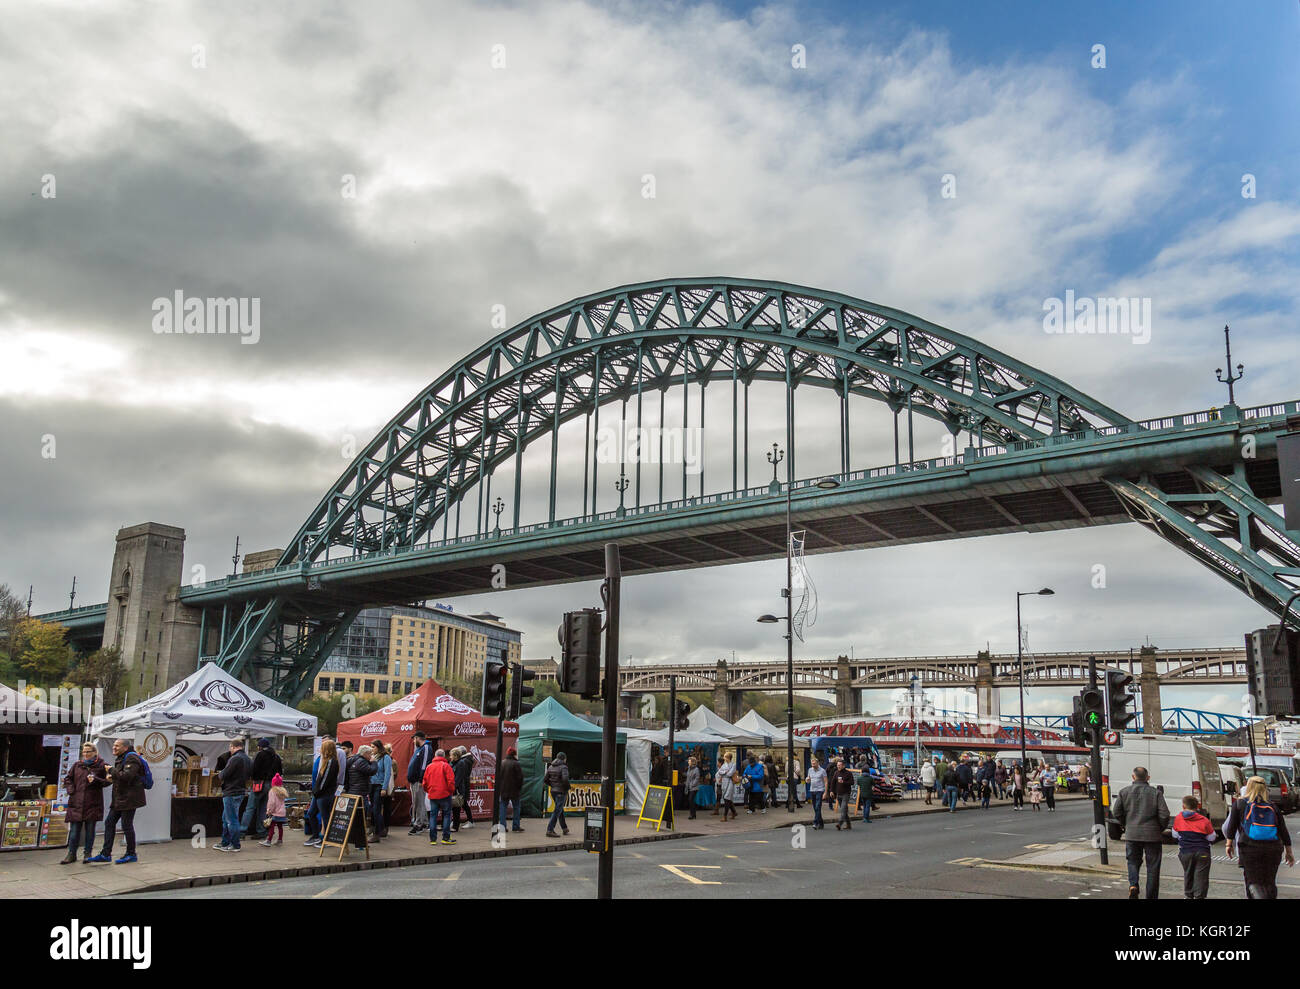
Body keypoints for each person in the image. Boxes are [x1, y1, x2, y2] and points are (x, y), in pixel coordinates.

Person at [1224, 775, 1295, 899]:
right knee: (1269, 881)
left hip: (1249, 848)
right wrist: (1289, 852)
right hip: (1273, 849)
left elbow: (1231, 827)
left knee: (1252, 881)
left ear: (1248, 787)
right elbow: (1283, 830)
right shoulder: (1272, 806)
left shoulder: (1240, 804)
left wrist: (1229, 845)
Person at [1110, 766, 1171, 900]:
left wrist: (1126, 824)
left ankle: (1133, 885)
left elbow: (1116, 812)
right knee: (1153, 867)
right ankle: (1151, 896)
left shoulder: (1124, 792)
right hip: (1152, 835)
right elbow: (1165, 814)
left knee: (1132, 861)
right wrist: (1159, 828)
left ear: (1133, 777)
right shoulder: (1156, 793)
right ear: (1148, 778)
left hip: (1132, 833)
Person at [86, 738, 146, 864]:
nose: (114, 747)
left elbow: (127, 776)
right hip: (120, 799)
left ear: (125, 747)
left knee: (126, 826)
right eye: (113, 745)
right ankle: (105, 854)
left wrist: (111, 770)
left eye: (117, 746)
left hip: (129, 799)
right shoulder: (121, 757)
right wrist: (111, 776)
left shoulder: (132, 758)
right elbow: (121, 777)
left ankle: (131, 854)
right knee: (109, 823)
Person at [60, 743, 107, 864]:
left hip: (92, 803)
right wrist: (71, 790)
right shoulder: (77, 765)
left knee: (90, 830)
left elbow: (108, 781)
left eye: (88, 752)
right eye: (84, 752)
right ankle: (71, 854)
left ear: (94, 752)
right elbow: (68, 779)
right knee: (74, 831)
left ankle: (87, 853)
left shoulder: (101, 765)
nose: (85, 754)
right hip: (77, 803)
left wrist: (96, 780)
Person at [1170, 794, 1218, 900]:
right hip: (1202, 852)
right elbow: (1212, 837)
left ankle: (1188, 895)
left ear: (1183, 806)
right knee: (1201, 876)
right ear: (1197, 807)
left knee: (1188, 873)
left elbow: (1175, 834)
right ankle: (1199, 896)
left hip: (1185, 851)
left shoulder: (1178, 818)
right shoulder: (1204, 820)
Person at [215, 738, 251, 852]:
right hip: (240, 791)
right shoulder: (248, 759)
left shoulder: (235, 758)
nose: (229, 750)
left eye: (230, 747)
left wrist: (220, 774)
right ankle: (225, 843)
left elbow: (224, 774)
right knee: (227, 818)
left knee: (231, 820)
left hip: (231, 791)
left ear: (233, 746)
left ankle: (235, 844)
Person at [241, 737, 282, 839]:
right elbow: (280, 772)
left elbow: (253, 769)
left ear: (260, 746)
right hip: (271, 785)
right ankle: (262, 831)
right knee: (263, 809)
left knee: (250, 808)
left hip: (260, 784)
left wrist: (252, 778)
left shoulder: (260, 755)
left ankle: (241, 832)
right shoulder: (276, 756)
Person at [304, 739, 339, 848]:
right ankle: (316, 836)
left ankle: (327, 839)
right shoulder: (325, 760)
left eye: (322, 747)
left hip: (324, 794)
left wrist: (317, 791)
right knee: (311, 813)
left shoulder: (331, 761)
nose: (320, 749)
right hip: (319, 794)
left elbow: (325, 780)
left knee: (325, 816)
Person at [344, 744, 378, 850]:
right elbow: (372, 771)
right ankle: (361, 843)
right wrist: (374, 762)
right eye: (370, 754)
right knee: (361, 819)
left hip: (352, 791)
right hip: (360, 793)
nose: (371, 756)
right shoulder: (362, 761)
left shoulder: (352, 760)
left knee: (354, 819)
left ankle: (353, 841)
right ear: (365, 754)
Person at [422, 748, 457, 845]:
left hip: (433, 794)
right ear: (443, 756)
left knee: (433, 816)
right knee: (446, 815)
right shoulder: (446, 766)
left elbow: (424, 782)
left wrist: (428, 790)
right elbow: (451, 781)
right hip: (445, 794)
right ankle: (445, 838)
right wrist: (451, 791)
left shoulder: (429, 766)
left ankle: (433, 839)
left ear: (435, 756)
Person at [406, 732, 433, 835]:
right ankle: (424, 822)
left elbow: (424, 765)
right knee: (418, 802)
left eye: (414, 739)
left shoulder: (426, 748)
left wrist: (422, 779)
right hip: (414, 780)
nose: (413, 741)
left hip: (418, 780)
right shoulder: (420, 749)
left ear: (418, 738)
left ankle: (419, 825)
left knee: (419, 803)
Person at [544, 752, 571, 837]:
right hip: (561, 791)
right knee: (557, 810)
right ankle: (550, 830)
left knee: (559, 809)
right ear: (564, 759)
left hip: (553, 791)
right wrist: (567, 788)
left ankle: (564, 828)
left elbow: (545, 779)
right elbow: (565, 779)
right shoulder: (564, 767)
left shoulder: (550, 766)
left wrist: (552, 785)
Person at [369, 741, 392, 839]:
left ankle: (377, 833)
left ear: (378, 747)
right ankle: (375, 829)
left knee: (376, 809)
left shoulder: (386, 757)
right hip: (371, 785)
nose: (371, 749)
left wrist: (384, 788)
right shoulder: (373, 757)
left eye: (373, 747)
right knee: (373, 809)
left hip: (379, 785)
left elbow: (388, 774)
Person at [498, 746, 524, 832]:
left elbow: (498, 777)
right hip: (514, 790)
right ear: (514, 754)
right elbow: (520, 778)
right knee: (516, 807)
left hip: (504, 789)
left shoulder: (502, 763)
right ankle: (516, 826)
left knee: (503, 807)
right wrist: (519, 788)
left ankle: (502, 826)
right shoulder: (516, 763)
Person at [451, 746, 476, 831]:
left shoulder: (464, 761)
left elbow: (460, 776)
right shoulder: (467, 760)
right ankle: (469, 821)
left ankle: (470, 821)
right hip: (464, 784)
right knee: (463, 803)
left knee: (462, 803)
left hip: (462, 785)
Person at [261, 773, 288, 846]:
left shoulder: (272, 791)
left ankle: (268, 840)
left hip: (275, 813)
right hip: (282, 813)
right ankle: (280, 840)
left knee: (271, 826)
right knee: (280, 827)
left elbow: (271, 802)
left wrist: (269, 811)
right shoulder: (283, 791)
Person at [831, 758, 855, 830]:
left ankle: (839, 823)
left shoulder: (848, 773)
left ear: (843, 766)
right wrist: (831, 791)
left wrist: (843, 782)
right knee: (844, 810)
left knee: (843, 809)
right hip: (839, 794)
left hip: (846, 793)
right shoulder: (836, 773)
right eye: (837, 765)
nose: (838, 766)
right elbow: (833, 782)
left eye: (840, 765)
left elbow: (852, 782)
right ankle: (848, 825)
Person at [717, 751, 738, 822]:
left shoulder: (733, 764)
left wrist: (725, 773)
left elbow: (730, 774)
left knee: (726, 798)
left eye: (725, 756)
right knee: (728, 799)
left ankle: (725, 816)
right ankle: (734, 812)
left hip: (730, 782)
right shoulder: (724, 764)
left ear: (728, 757)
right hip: (724, 782)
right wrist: (725, 772)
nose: (724, 758)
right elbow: (719, 772)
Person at [806, 756, 827, 829]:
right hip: (812, 790)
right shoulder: (810, 770)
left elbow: (826, 782)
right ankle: (821, 823)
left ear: (818, 763)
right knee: (815, 808)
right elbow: (808, 779)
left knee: (818, 806)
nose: (813, 765)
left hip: (820, 790)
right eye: (812, 764)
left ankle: (815, 822)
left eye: (814, 764)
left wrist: (825, 792)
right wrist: (807, 780)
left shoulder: (822, 771)